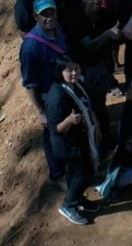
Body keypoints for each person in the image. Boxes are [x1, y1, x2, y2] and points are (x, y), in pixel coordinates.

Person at [43, 59, 103, 225]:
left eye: (76, 68)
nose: (74, 72)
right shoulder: (56, 96)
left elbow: (89, 107)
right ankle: (68, 206)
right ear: (60, 72)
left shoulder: (76, 85)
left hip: (81, 138)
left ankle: (77, 199)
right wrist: (69, 120)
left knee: (73, 173)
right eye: (68, 70)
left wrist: (96, 125)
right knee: (85, 172)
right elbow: (55, 128)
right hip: (68, 145)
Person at [19, 0, 71, 185]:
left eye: (52, 12)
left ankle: (72, 167)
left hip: (64, 91)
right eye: (44, 14)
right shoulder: (31, 47)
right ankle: (57, 174)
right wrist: (40, 112)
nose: (49, 17)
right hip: (48, 97)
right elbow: (29, 84)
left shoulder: (58, 30)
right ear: (35, 16)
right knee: (52, 136)